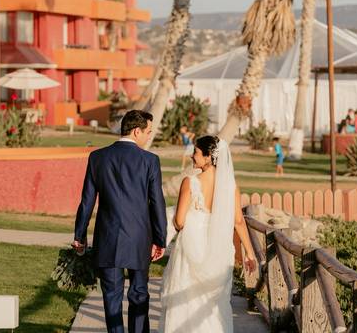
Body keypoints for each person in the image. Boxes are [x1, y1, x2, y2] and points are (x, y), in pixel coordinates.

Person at [73, 110, 167, 333]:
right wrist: (160, 239)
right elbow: (157, 203)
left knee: (112, 297)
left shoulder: (97, 157)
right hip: (139, 238)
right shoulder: (150, 160)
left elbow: (87, 201)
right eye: (148, 132)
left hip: (108, 237)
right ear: (137, 131)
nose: (148, 136)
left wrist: (79, 236)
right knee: (139, 294)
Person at [160, 135, 258, 332]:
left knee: (185, 298)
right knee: (215, 303)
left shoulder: (190, 182)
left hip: (191, 246)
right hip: (219, 249)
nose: (191, 156)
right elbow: (238, 221)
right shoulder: (231, 187)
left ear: (207, 157)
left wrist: (176, 220)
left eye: (195, 152)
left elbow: (179, 221)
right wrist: (249, 252)